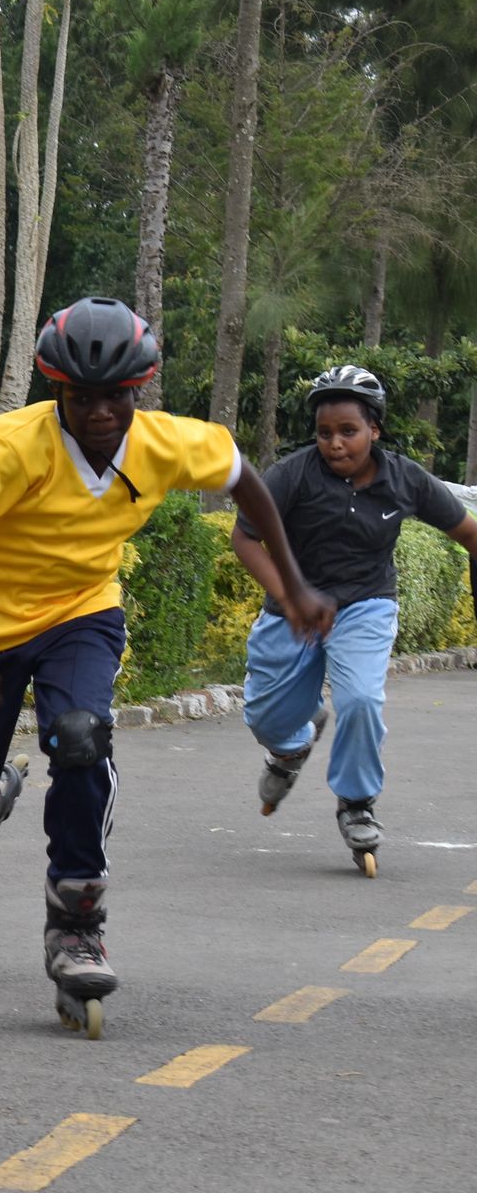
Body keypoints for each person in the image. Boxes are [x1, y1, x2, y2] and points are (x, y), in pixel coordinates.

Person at [0, 296, 333, 1038]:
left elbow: (245, 480)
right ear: (56, 390)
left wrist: (291, 586)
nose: (101, 413)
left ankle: (77, 922)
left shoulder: (166, 443)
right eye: (82, 397)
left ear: (141, 389)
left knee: (80, 735)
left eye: (117, 397)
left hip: (81, 614)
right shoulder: (11, 446)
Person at [233, 365, 477, 877]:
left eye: (349, 431)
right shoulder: (293, 475)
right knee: (265, 717)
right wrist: (291, 596)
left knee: (362, 699)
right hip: (292, 607)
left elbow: (469, 534)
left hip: (366, 604)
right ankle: (290, 749)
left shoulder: (406, 479)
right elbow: (245, 537)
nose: (335, 443)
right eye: (325, 433)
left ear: (375, 430)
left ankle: (357, 802)